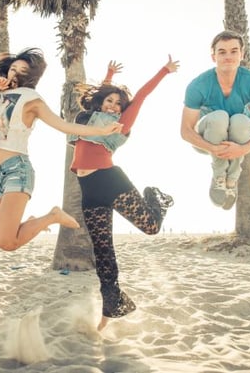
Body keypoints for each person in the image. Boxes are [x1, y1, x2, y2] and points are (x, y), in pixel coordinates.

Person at [0, 48, 123, 252]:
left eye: (22, 70)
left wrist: (101, 130)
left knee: (7, 243)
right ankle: (31, 222)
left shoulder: (32, 99)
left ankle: (52, 216)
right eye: (12, 68)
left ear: (31, 76)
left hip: (16, 171)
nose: (15, 73)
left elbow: (64, 125)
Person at [70, 57, 179, 331]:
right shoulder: (90, 119)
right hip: (89, 191)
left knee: (152, 227)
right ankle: (111, 310)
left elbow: (141, 96)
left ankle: (156, 197)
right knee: (103, 251)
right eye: (111, 101)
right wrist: (107, 75)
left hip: (110, 181)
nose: (114, 106)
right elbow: (99, 96)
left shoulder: (121, 123)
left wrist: (164, 71)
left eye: (119, 104)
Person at [181, 30, 250, 210]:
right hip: (207, 140)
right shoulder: (198, 85)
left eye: (233, 51)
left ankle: (231, 181)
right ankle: (219, 177)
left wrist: (243, 149)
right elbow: (185, 130)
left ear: (242, 54)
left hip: (238, 140)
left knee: (241, 120)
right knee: (221, 116)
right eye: (222, 52)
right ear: (213, 56)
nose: (228, 56)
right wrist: (212, 148)